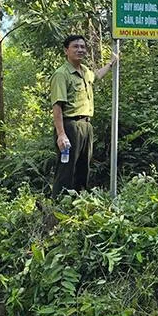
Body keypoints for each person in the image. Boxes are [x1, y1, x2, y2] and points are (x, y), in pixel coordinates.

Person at [50, 34, 118, 198]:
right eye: (75, 46)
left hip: (86, 126)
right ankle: (58, 206)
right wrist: (61, 134)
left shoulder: (85, 71)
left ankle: (79, 204)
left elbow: (97, 75)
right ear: (66, 50)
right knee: (66, 169)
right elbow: (57, 105)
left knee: (83, 167)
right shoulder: (62, 74)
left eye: (82, 47)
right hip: (70, 126)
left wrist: (111, 63)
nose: (80, 49)